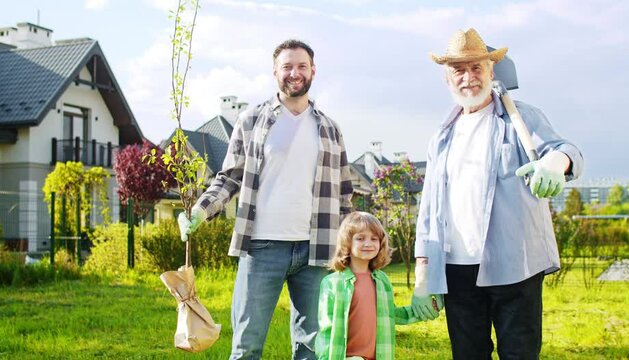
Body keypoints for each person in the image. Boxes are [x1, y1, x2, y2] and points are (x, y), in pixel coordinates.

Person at [410, 28, 584, 359]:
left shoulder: (521, 118)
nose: (468, 78)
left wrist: (555, 164)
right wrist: (423, 273)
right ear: (447, 79)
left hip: (515, 265)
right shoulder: (442, 138)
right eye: (458, 70)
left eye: (476, 68)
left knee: (519, 353)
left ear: (491, 72)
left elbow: (567, 150)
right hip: (458, 271)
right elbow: (429, 211)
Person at [178, 39, 354, 359]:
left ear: (313, 71)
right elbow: (230, 176)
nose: (294, 73)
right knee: (247, 345)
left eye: (301, 66)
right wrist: (200, 211)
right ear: (275, 72)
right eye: (287, 66)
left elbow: (344, 195)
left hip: (317, 249)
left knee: (313, 348)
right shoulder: (251, 120)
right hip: (261, 248)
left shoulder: (330, 128)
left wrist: (349, 250)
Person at [316, 211, 437, 360]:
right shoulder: (332, 283)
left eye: (374, 239)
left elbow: (391, 315)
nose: (368, 243)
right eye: (360, 238)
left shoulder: (382, 281)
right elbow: (326, 329)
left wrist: (424, 309)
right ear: (347, 242)